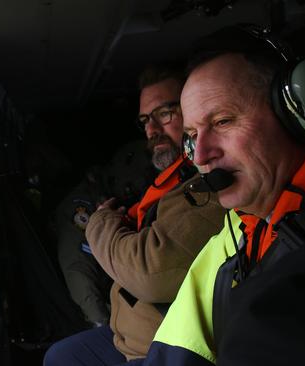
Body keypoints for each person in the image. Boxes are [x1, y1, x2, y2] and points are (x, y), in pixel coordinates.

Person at [139, 25, 305, 365]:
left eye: (223, 121)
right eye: (192, 135)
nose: (200, 155)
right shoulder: (240, 226)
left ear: (296, 113)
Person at [43, 64, 227, 365]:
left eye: (164, 114)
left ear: (194, 110)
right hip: (125, 334)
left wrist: (101, 223)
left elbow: (148, 273)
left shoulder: (209, 182)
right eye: (145, 121)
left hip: (161, 343)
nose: (152, 131)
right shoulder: (171, 179)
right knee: (61, 356)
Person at [54, 139, 155, 326]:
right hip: (100, 311)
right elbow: (78, 270)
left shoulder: (121, 201)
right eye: (130, 188)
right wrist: (102, 324)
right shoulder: (83, 207)